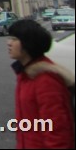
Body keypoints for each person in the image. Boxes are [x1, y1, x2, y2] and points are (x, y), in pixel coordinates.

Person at [7, 19, 75, 148]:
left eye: (14, 39)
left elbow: (57, 129)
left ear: (28, 44)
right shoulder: (26, 74)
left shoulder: (45, 80)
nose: (9, 43)